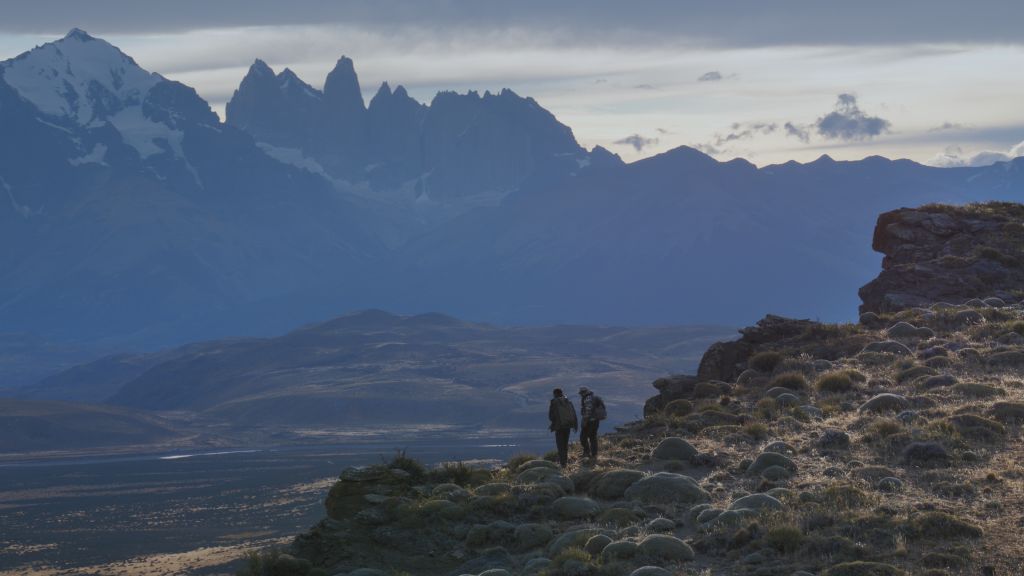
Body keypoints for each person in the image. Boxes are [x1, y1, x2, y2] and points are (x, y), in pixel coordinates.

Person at [548, 388, 578, 468]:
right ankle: (565, 462)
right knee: (565, 444)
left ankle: (563, 464)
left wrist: (554, 423)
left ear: (555, 394)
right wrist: (575, 425)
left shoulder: (554, 402)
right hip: (567, 425)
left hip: (559, 427)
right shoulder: (568, 401)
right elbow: (573, 413)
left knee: (560, 445)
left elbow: (551, 416)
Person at [578, 386, 606, 461]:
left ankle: (587, 452)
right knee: (593, 437)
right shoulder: (594, 397)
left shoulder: (587, 399)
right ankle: (594, 453)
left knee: (583, 437)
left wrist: (585, 421)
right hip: (596, 420)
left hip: (590, 421)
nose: (581, 394)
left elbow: (588, 411)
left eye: (581, 393)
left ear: (584, 393)